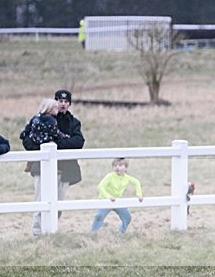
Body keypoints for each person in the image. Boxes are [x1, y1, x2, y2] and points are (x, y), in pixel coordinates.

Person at [22, 89, 85, 236]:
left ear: (69, 104)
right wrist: (44, 147)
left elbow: (78, 142)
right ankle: (37, 234)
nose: (62, 104)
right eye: (60, 101)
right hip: (42, 167)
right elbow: (27, 140)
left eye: (66, 101)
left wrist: (56, 145)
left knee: (58, 204)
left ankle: (51, 234)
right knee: (40, 202)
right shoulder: (40, 119)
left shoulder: (74, 122)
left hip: (65, 169)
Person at [91, 158, 143, 233]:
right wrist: (108, 197)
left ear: (126, 167)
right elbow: (100, 187)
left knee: (127, 217)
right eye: (115, 166)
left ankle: (121, 232)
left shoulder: (127, 178)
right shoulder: (110, 176)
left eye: (120, 165)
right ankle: (93, 232)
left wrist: (139, 194)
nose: (117, 167)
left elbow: (136, 182)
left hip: (117, 201)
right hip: (105, 200)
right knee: (99, 216)